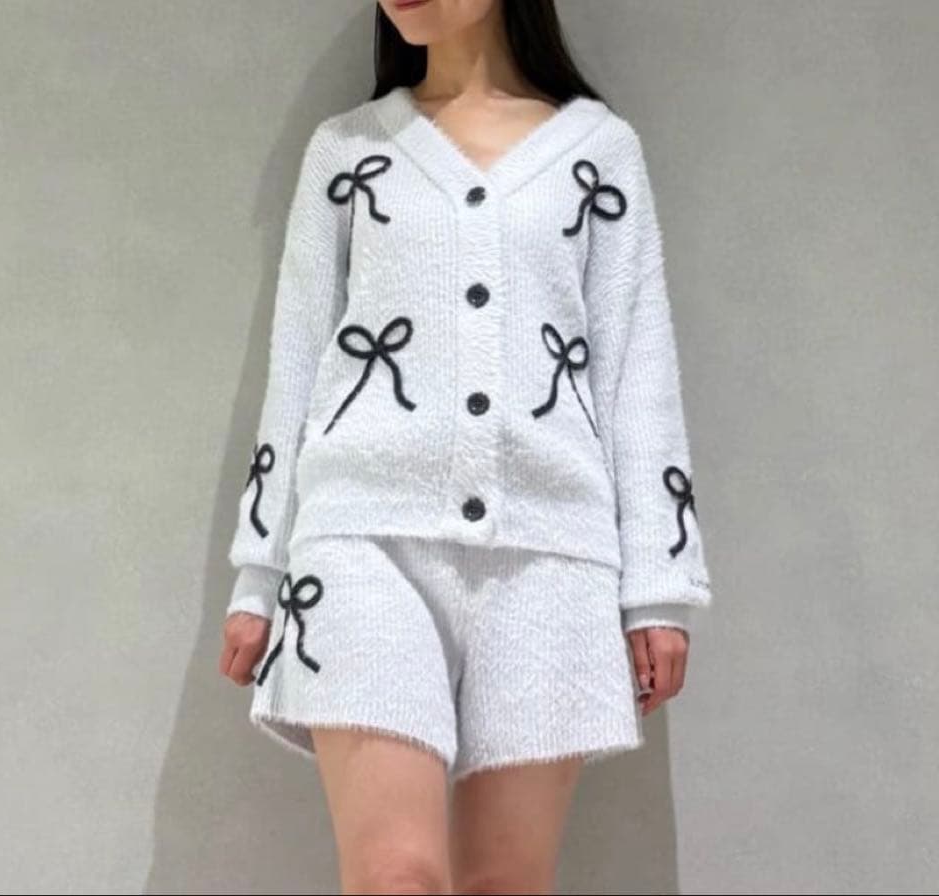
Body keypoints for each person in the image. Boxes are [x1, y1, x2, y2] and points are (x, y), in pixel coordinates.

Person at [219, 1, 713, 892]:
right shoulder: (348, 152)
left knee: (505, 884)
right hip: (362, 543)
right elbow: (296, 362)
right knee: (395, 877)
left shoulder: (599, 153)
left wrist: (659, 589)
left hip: (549, 554)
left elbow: (636, 370)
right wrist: (259, 573)